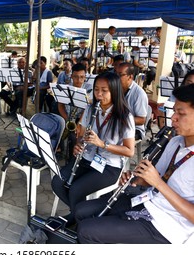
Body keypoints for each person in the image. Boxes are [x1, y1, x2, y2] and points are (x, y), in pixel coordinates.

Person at [75, 83, 194, 244]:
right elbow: (156, 178)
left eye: (181, 113)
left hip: (167, 227)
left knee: (86, 231)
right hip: (147, 201)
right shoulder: (175, 142)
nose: (173, 118)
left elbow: (160, 183)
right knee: (81, 211)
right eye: (174, 111)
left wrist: (157, 183)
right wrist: (138, 178)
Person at [51, 72, 135, 226]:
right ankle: (80, 216)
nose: (99, 94)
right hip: (87, 158)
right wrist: (78, 144)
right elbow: (81, 135)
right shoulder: (90, 109)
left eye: (104, 91)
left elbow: (129, 151)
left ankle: (76, 219)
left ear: (114, 91)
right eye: (96, 89)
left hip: (109, 166)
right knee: (57, 182)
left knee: (76, 189)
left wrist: (102, 144)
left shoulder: (124, 116)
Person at [57, 63, 93, 161]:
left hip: (82, 119)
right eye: (76, 77)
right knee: (57, 129)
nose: (79, 80)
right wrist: (66, 119)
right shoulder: (66, 88)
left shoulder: (89, 89)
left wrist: (79, 123)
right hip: (68, 117)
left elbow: (87, 109)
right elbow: (60, 105)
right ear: (71, 76)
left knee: (74, 137)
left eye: (82, 77)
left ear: (85, 77)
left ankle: (73, 159)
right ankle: (59, 150)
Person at [117, 63, 148, 140]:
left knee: (113, 135)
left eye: (120, 75)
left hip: (135, 128)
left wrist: (121, 121)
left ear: (130, 77)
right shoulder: (117, 88)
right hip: (118, 124)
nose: (116, 78)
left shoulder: (139, 94)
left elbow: (142, 120)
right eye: (116, 74)